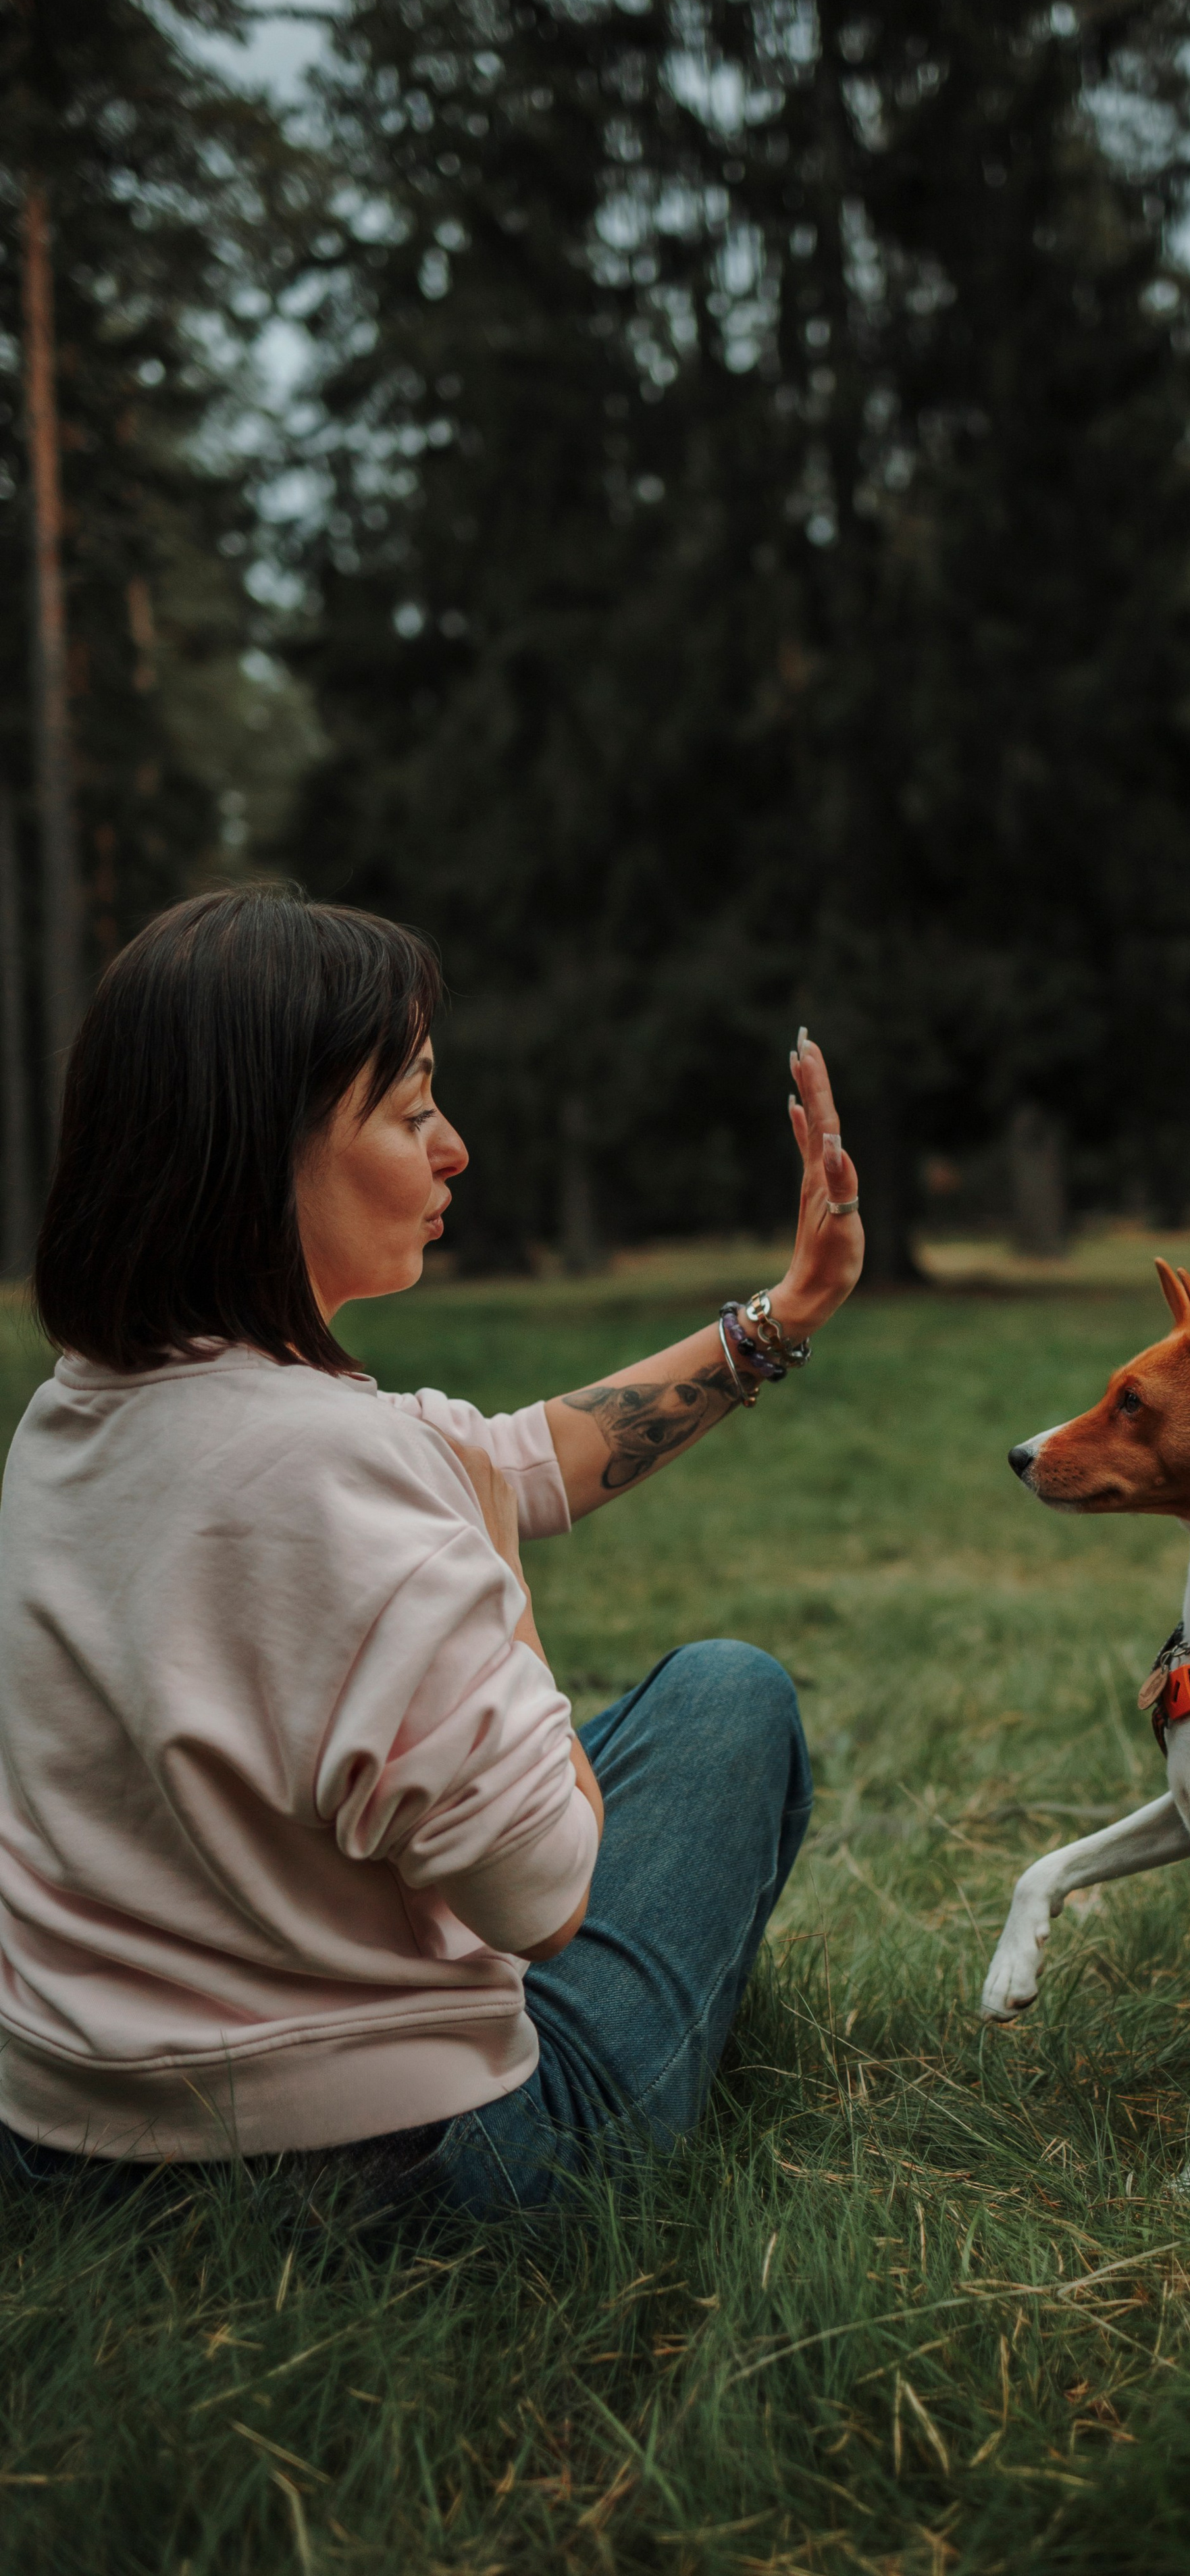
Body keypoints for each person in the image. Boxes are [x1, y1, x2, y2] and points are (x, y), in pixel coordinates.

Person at [0, 886, 862, 2217]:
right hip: (400, 2170)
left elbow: (502, 1460)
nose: (453, 1150)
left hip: (71, 2146)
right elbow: (546, 1897)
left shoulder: (77, 1416)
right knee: (722, 1699)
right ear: (262, 1152)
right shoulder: (347, 1471)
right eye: (411, 1112)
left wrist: (776, 1319)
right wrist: (498, 1590)